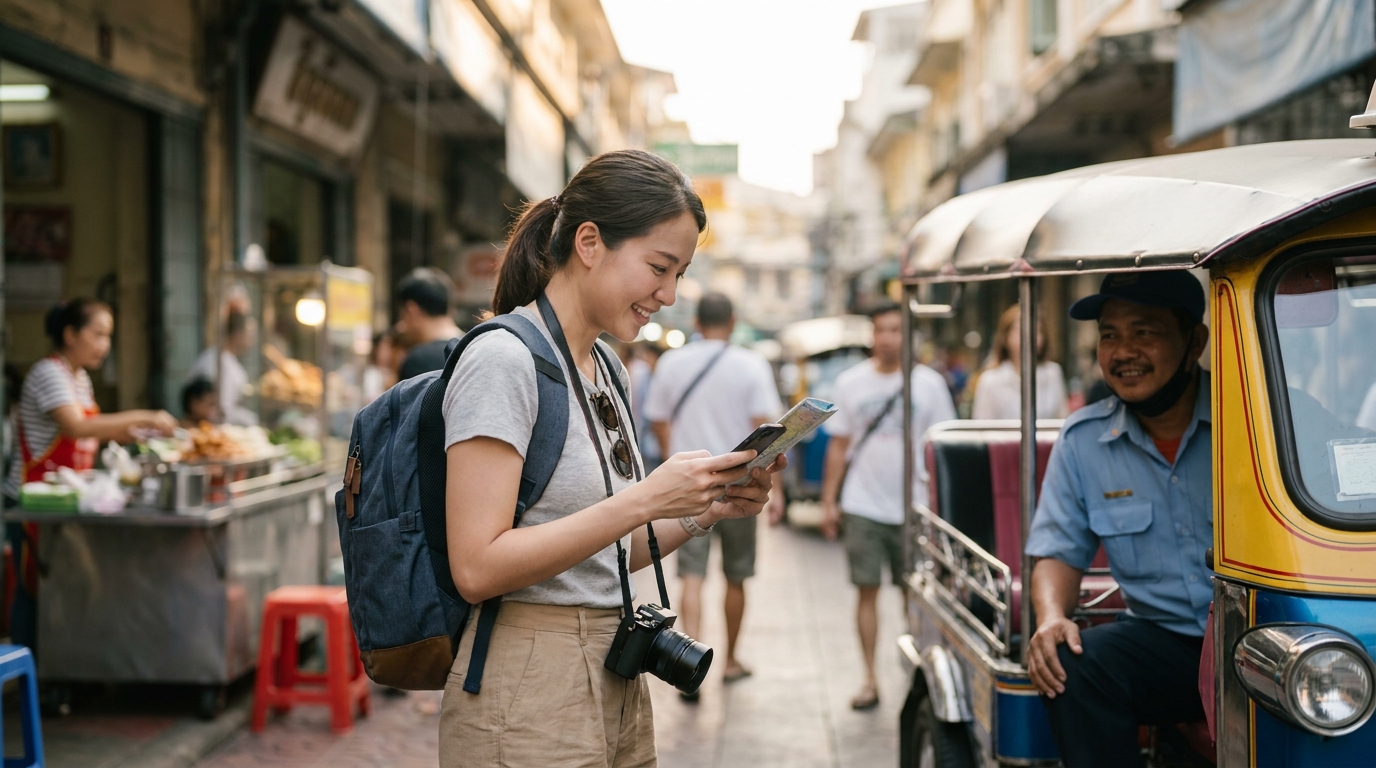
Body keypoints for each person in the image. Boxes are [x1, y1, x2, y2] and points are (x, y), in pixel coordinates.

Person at [438, 149, 784, 767]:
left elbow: (608, 553)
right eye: (659, 266)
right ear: (590, 242)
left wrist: (707, 508)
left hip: (613, 672)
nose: (670, 294)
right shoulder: (504, 361)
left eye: (680, 274)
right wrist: (644, 498)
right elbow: (477, 565)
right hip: (528, 681)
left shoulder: (607, 371)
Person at [1024, 271, 1212, 767]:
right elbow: (1059, 550)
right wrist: (1052, 618)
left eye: (1144, 332)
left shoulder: (1255, 419)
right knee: (1069, 663)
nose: (1123, 351)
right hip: (1164, 642)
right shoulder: (1083, 441)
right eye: (1110, 335)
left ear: (1194, 341)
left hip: (1259, 637)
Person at [4, 298, 177, 648]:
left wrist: (140, 433)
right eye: (97, 334)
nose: (105, 345)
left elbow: (98, 430)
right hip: (34, 504)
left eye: (108, 336)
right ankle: (27, 683)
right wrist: (145, 416)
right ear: (70, 334)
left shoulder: (79, 378)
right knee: (34, 590)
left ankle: (59, 672)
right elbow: (77, 427)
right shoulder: (48, 373)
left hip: (66, 503)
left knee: (63, 591)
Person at [644, 292, 784, 699]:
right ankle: (730, 661)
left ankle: (688, 666)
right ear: (734, 320)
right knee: (736, 577)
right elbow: (767, 429)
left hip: (691, 485)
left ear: (697, 321)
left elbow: (658, 420)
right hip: (742, 486)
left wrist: (678, 459)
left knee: (692, 574)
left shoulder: (672, 362)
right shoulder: (751, 364)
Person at [820, 302, 956, 710]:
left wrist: (943, 509)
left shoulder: (930, 384)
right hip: (863, 503)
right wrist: (830, 500)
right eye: (881, 330)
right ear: (871, 335)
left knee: (913, 596)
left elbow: (941, 447)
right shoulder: (851, 383)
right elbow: (839, 445)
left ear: (909, 334)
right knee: (866, 592)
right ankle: (869, 678)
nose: (887, 338)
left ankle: (917, 675)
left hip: (915, 507)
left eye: (896, 330)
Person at [971, 304, 1068, 420]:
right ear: (1005, 337)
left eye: (1036, 331)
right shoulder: (990, 380)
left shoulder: (1053, 373)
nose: (1029, 337)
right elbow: (982, 426)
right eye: (1020, 331)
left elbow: (1062, 418)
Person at [189, 310, 257, 426]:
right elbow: (217, 409)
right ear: (238, 334)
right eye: (250, 335)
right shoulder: (216, 361)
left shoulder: (227, 360)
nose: (252, 341)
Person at [395, 268, 463, 381]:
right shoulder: (473, 348)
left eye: (401, 315)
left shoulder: (419, 361)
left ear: (412, 310)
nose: (401, 325)